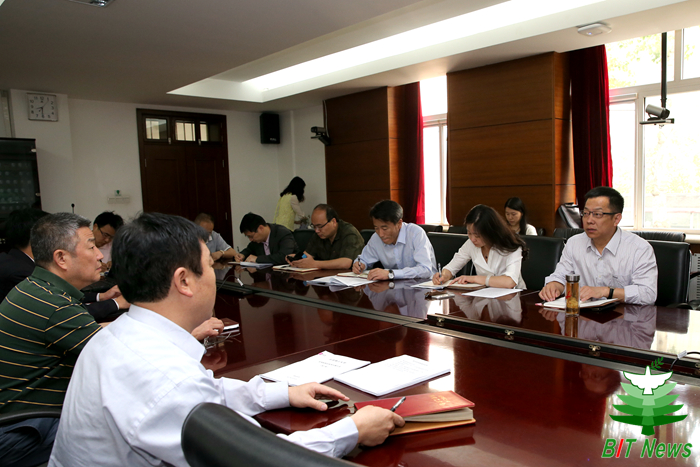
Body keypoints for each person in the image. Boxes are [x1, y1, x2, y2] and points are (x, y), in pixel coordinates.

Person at [48, 213, 403, 466]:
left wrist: (282, 393)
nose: (215, 277)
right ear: (184, 281)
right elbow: (262, 459)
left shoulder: (118, 335)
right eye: (209, 265)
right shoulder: (167, 379)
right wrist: (352, 430)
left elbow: (207, 395)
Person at [0, 208, 128, 321]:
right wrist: (116, 303)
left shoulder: (15, 261)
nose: (99, 255)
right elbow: (65, 313)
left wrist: (102, 296)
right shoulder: (22, 274)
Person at [540, 186, 658, 305]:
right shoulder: (574, 243)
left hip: (624, 315)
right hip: (584, 314)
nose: (589, 220)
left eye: (597, 214)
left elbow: (647, 294)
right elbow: (561, 276)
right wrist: (554, 286)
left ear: (616, 219)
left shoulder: (639, 248)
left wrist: (606, 291)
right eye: (586, 213)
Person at [433, 205, 527, 289]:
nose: (472, 239)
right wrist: (444, 275)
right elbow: (452, 267)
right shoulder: (470, 244)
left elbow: (510, 281)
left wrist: (475, 279)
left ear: (490, 232)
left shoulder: (511, 246)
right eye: (469, 233)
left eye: (477, 235)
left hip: (515, 297)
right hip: (485, 295)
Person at [353, 200, 437, 280]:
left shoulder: (416, 234)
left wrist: (391, 274)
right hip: (394, 286)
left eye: (385, 228)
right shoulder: (376, 237)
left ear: (399, 223)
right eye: (376, 228)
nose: (381, 234)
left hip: (424, 285)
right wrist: (359, 264)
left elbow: (425, 269)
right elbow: (364, 259)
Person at [289, 204, 364, 270]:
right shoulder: (319, 234)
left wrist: (314, 264)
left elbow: (346, 263)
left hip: (347, 278)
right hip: (324, 277)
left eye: (320, 226)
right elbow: (307, 255)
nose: (317, 230)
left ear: (333, 222)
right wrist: (297, 259)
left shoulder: (349, 232)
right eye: (314, 226)